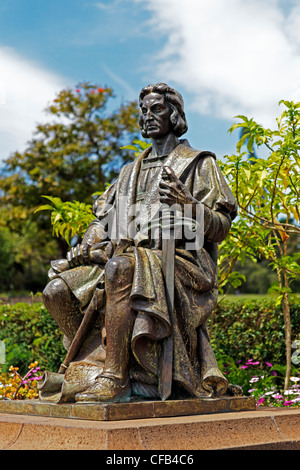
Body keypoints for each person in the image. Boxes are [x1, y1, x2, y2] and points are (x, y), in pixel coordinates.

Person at [42, 83, 237, 403]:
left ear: (174, 115)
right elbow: (102, 221)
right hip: (124, 256)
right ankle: (97, 364)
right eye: (143, 110)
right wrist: (88, 243)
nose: (147, 116)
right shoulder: (129, 172)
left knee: (120, 269)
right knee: (57, 291)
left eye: (156, 109)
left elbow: (221, 227)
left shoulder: (200, 163)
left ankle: (115, 377)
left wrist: (188, 203)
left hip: (179, 263)